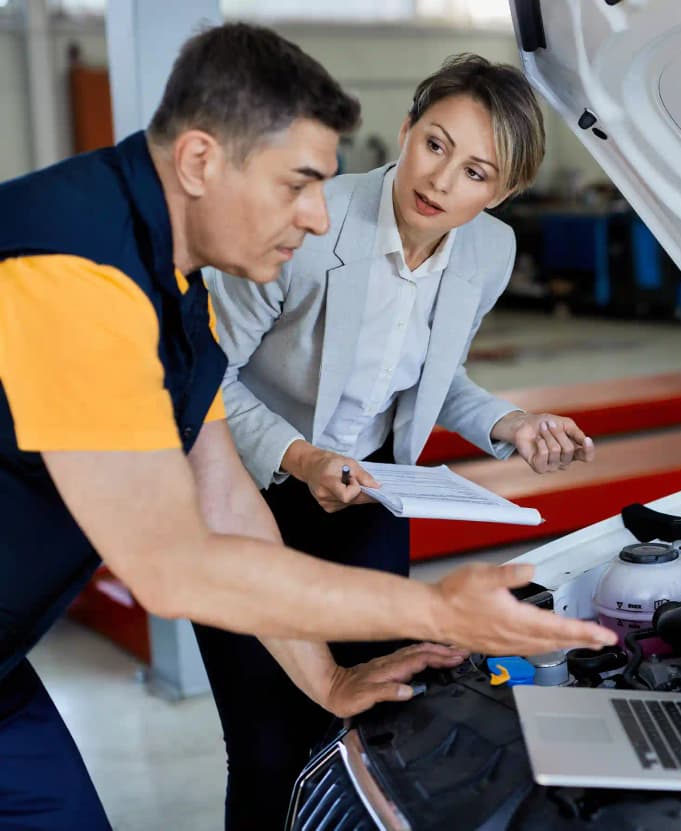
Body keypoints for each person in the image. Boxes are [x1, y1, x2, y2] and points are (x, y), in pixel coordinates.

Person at [0, 24, 614, 830]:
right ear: (199, 162)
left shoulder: (176, 297)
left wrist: (326, 679)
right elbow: (172, 565)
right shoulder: (75, 273)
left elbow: (225, 508)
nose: (321, 216)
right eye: (298, 184)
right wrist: (436, 612)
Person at [197, 53, 598, 829]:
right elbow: (201, 380)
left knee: (368, 726)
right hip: (247, 493)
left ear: (503, 193)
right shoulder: (304, 226)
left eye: (477, 172)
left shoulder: (489, 252)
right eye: (437, 144)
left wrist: (510, 422)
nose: (444, 182)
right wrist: (299, 456)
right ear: (407, 128)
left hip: (371, 501)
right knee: (267, 745)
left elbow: (431, 378)